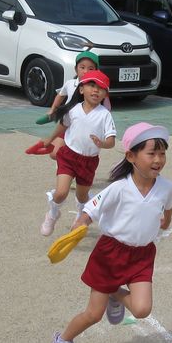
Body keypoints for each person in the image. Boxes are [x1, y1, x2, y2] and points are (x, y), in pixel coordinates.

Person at [51, 122, 172, 343]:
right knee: (93, 314)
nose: (158, 159)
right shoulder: (118, 188)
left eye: (162, 153)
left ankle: (115, 294)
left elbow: (166, 216)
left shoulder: (167, 187)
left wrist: (164, 222)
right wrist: (81, 223)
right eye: (151, 153)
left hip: (142, 255)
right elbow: (90, 209)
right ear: (131, 156)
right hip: (110, 254)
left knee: (141, 309)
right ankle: (62, 340)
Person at [40, 69, 116, 237]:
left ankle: (81, 216)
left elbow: (111, 142)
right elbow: (63, 125)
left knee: (82, 197)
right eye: (91, 85)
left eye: (101, 88)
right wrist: (50, 138)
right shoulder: (73, 109)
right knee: (61, 193)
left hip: (88, 161)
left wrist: (101, 143)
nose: (96, 90)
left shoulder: (105, 116)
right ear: (81, 89)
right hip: (68, 156)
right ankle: (52, 213)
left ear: (105, 95)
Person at [26, 51, 110, 156]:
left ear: (97, 70)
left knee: (61, 152)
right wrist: (52, 110)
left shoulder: (97, 90)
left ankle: (66, 157)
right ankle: (62, 154)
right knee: (55, 153)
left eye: (91, 68)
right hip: (67, 121)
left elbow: (107, 109)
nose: (86, 71)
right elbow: (60, 96)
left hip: (83, 127)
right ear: (76, 69)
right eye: (82, 67)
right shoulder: (70, 84)